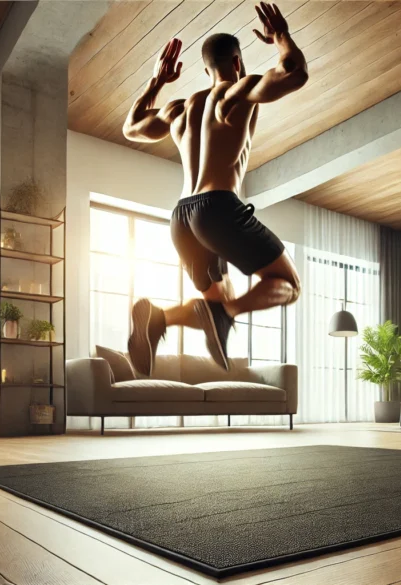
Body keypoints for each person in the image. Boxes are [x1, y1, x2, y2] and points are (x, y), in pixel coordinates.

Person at [121, 2, 307, 374]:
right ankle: (224, 315)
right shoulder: (239, 90)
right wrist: (280, 36)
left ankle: (159, 319)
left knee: (218, 299)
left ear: (205, 69)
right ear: (237, 62)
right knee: (288, 284)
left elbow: (132, 126)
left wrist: (157, 81)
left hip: (181, 218)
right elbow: (294, 73)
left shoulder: (180, 108)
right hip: (217, 207)